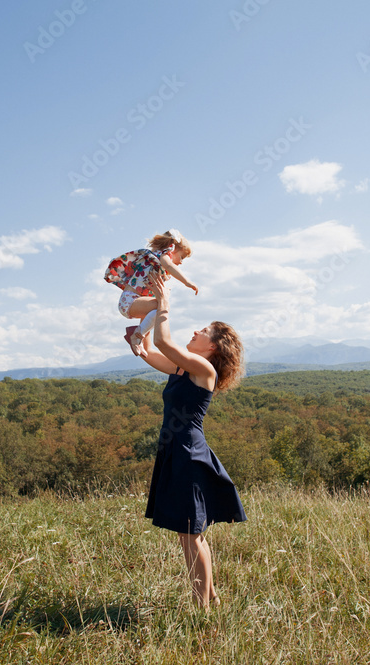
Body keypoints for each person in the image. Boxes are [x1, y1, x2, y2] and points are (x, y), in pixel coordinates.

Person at [135, 271, 246, 609]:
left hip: (188, 454)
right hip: (176, 451)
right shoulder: (183, 368)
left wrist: (165, 305)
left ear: (211, 347)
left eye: (203, 331)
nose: (196, 331)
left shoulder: (203, 370)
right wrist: (144, 325)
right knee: (191, 534)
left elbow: (166, 344)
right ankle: (210, 598)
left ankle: (201, 610)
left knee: (189, 535)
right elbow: (152, 351)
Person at [104, 229, 199, 357]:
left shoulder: (155, 262)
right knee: (161, 306)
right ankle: (136, 335)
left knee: (158, 307)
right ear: (173, 249)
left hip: (132, 301)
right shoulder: (164, 256)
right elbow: (170, 266)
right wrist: (187, 282)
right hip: (130, 301)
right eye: (181, 257)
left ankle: (139, 339)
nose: (181, 262)